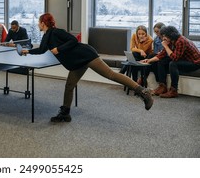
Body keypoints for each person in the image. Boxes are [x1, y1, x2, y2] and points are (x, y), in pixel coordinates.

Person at [21, 13, 153, 123]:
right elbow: (42, 50)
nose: (38, 24)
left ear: (43, 23)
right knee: (69, 86)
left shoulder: (56, 32)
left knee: (111, 75)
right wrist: (27, 51)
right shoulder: (46, 37)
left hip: (86, 56)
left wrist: (59, 49)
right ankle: (65, 113)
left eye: (39, 22)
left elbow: (73, 40)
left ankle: (143, 92)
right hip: (77, 63)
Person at [142, 25, 200, 98]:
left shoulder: (181, 41)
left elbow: (175, 58)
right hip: (183, 59)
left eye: (164, 36)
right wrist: (149, 60)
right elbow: (162, 55)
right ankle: (162, 86)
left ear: (170, 35)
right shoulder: (171, 40)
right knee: (161, 61)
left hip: (194, 63)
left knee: (173, 63)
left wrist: (165, 46)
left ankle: (173, 90)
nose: (163, 38)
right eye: (162, 36)